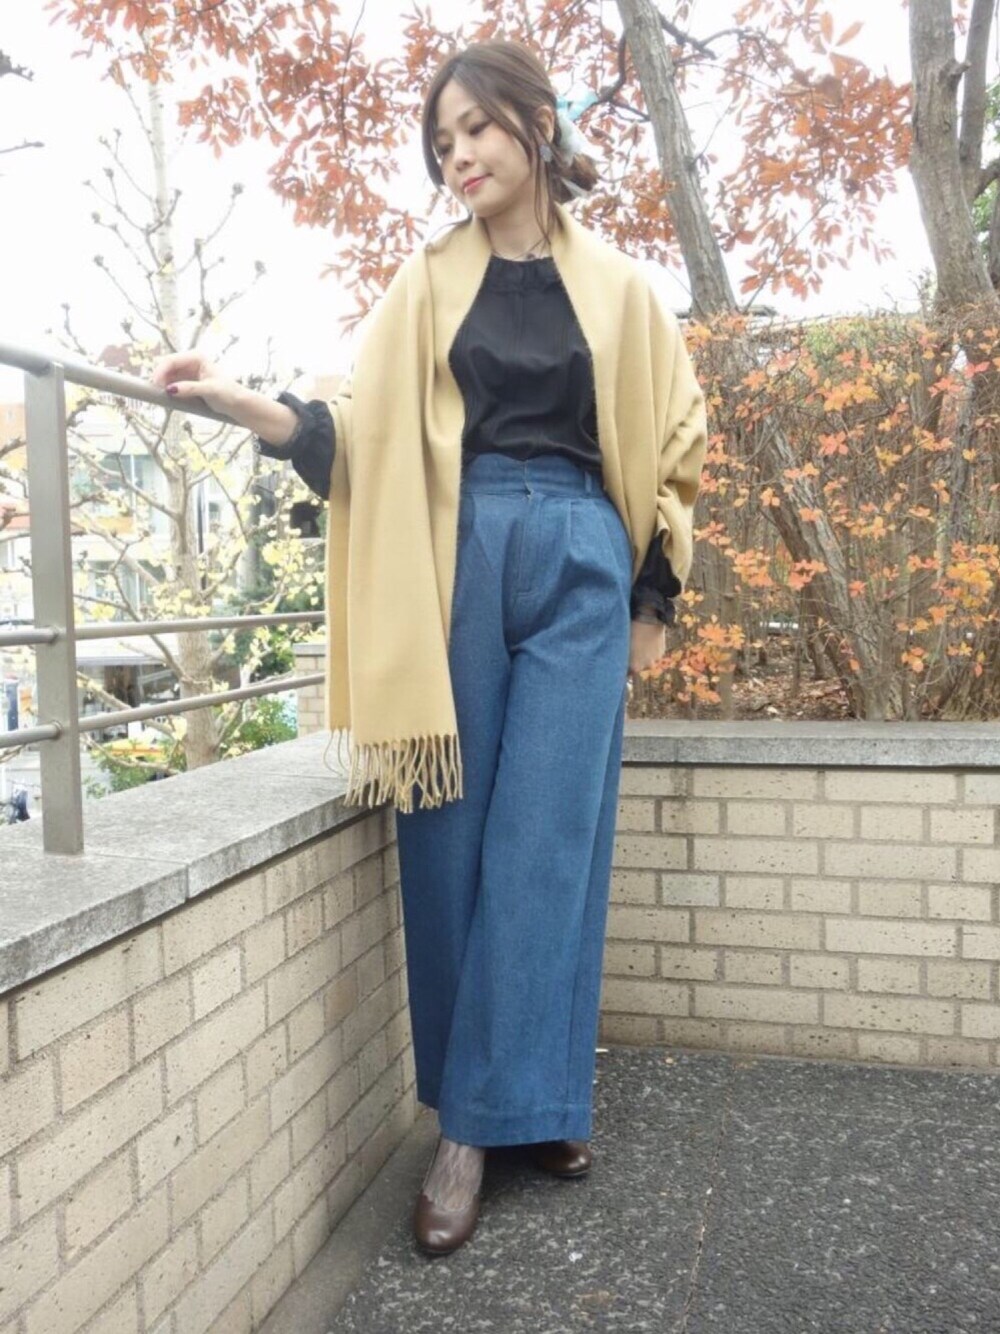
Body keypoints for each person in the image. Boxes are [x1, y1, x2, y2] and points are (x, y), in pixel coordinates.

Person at [152, 38, 707, 1258]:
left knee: (549, 840)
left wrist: (650, 604)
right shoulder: (425, 284)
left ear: (536, 125)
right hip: (456, 550)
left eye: (476, 128)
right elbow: (359, 431)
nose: (458, 154)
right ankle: (489, 1111)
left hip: (582, 553)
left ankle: (498, 1115)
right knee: (447, 831)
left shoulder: (621, 289)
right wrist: (248, 405)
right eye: (441, 139)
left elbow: (673, 446)